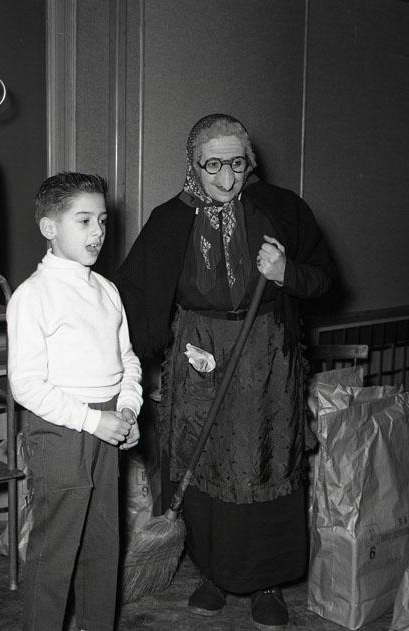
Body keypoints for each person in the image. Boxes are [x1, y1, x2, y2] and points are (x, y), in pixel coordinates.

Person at [113, 114, 335, 629]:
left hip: (266, 353)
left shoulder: (282, 209)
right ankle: (211, 573)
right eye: (212, 165)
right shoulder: (170, 219)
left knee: (265, 461)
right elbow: (132, 293)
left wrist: (286, 273)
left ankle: (268, 582)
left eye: (236, 163)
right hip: (198, 352)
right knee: (202, 459)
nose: (227, 178)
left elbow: (325, 279)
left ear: (249, 161)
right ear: (193, 164)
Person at [7, 172, 143, 631]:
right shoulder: (32, 296)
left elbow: (127, 359)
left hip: (107, 421)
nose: (97, 232)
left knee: (104, 542)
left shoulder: (106, 290)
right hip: (61, 430)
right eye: (83, 221)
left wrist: (127, 408)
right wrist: (93, 421)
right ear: (50, 227)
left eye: (101, 220)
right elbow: (26, 385)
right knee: (56, 547)